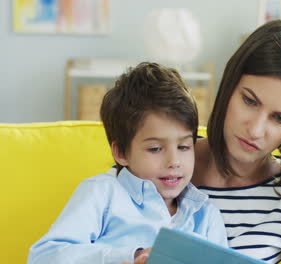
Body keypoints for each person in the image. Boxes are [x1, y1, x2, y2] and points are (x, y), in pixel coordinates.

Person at [27, 62, 228, 264]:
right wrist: (131, 256)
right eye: (155, 149)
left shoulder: (205, 215)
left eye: (184, 147)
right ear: (121, 152)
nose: (174, 161)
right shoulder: (103, 193)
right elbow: (43, 257)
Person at [191, 19, 281, 264]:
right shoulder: (157, 155)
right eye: (249, 101)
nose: (256, 130)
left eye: (280, 118)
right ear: (229, 87)